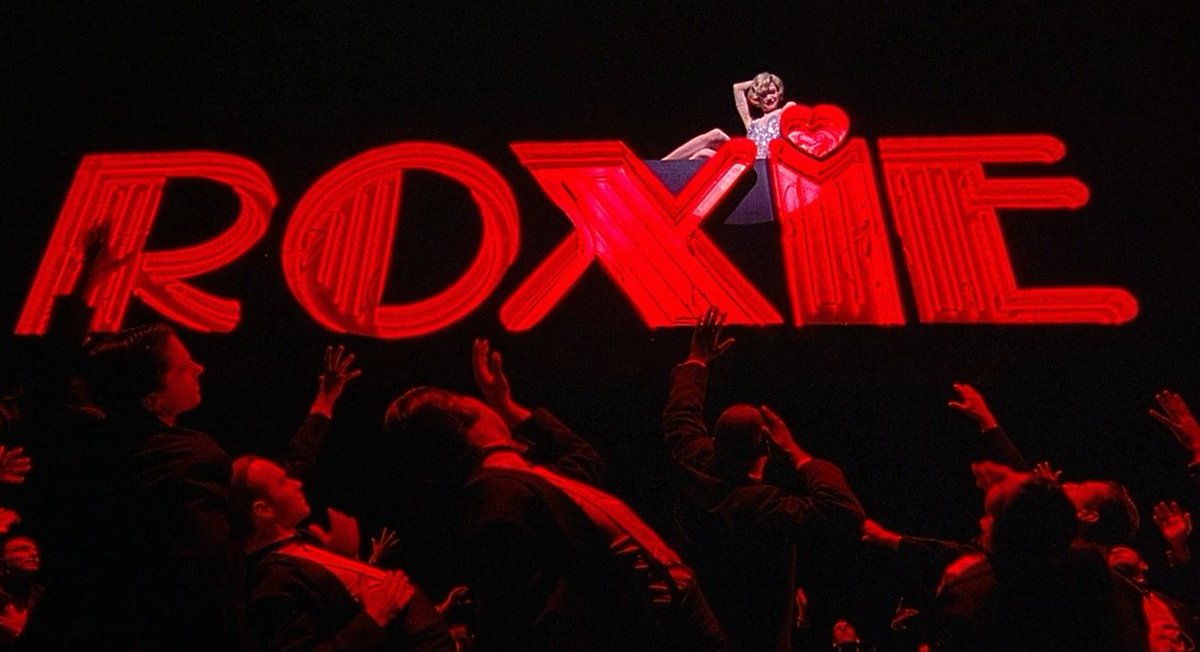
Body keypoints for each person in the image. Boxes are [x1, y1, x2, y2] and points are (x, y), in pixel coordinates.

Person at [383, 339, 726, 650]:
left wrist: (505, 405)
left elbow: (587, 462)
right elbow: (540, 619)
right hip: (659, 622)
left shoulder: (515, 477)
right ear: (465, 413)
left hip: (672, 607)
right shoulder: (498, 497)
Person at [56, 331, 361, 650]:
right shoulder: (189, 460)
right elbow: (211, 580)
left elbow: (272, 478)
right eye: (184, 368)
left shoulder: (101, 456)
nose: (199, 368)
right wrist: (336, 564)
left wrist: (323, 403)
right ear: (153, 400)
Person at [661, 308, 865, 651]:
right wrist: (797, 452)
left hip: (694, 635)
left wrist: (697, 359)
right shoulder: (763, 508)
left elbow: (680, 415)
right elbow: (844, 512)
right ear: (767, 448)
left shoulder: (693, 462)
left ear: (715, 440)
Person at [232, 455, 454, 651]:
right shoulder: (271, 582)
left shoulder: (299, 542)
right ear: (264, 510)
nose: (297, 483)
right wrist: (374, 618)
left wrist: (346, 555)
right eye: (283, 482)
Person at [663, 72, 796, 161]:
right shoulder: (751, 123)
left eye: (772, 92)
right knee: (706, 149)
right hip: (745, 160)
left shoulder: (784, 111)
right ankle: (662, 164)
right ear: (757, 98)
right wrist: (759, 83)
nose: (769, 97)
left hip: (767, 162)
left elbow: (793, 116)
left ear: (779, 93)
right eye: (764, 94)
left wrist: (767, 80)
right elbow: (737, 88)